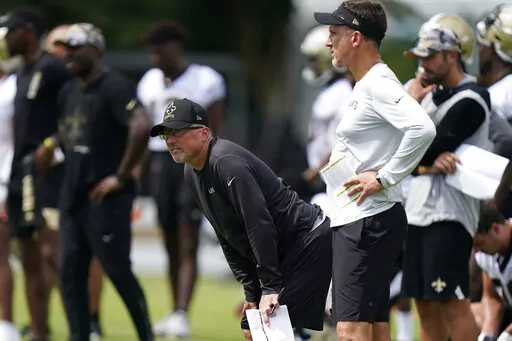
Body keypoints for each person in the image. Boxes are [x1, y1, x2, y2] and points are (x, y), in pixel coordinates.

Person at [150, 98, 332, 340]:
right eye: (167, 134)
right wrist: (251, 291)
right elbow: (226, 234)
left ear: (204, 133)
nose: (171, 141)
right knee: (252, 326)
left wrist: (269, 287)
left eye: (179, 132)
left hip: (307, 242)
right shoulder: (191, 172)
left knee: (270, 326)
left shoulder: (226, 163)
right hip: (284, 252)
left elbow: (258, 224)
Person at [313, 1, 436, 341]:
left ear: (355, 38)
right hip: (365, 220)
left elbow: (422, 128)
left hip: (366, 221)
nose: (327, 42)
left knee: (350, 329)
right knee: (376, 327)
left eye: (333, 34)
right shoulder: (369, 83)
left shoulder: (377, 83)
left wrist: (384, 177)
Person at [50, 23, 153, 341]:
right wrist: (47, 149)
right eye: (65, 46)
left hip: (104, 197)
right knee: (70, 272)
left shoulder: (114, 86)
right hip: (73, 197)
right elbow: (67, 133)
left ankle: (145, 334)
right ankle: (78, 335)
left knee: (117, 268)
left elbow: (141, 126)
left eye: (75, 46)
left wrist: (121, 176)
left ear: (95, 49)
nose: (68, 52)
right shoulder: (69, 90)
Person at [401, 24, 492, 341]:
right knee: (424, 305)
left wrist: (418, 160)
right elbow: (397, 152)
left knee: (452, 302)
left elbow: (426, 147)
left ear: (452, 56)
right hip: (415, 212)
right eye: (419, 58)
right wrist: (423, 165)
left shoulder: (474, 98)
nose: (422, 65)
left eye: (429, 57)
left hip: (449, 215)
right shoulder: (420, 94)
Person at [137, 20, 225, 338]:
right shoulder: (149, 82)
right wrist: (139, 170)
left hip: (192, 161)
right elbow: (146, 132)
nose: (155, 58)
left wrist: (211, 168)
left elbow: (215, 129)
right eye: (152, 52)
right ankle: (174, 310)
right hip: (161, 162)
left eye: (160, 51)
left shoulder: (205, 79)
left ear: (176, 47)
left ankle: (182, 312)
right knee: (169, 242)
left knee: (187, 239)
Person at [0, 7, 71, 341]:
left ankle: (84, 325)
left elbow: (76, 114)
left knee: (51, 256)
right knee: (28, 257)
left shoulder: (54, 68)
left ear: (27, 31)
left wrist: (53, 145)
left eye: (8, 31)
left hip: (48, 178)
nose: (4, 40)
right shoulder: (21, 73)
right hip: (19, 176)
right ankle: (39, 331)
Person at [44, 23, 106, 341]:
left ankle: (90, 319)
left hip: (83, 176)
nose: (63, 52)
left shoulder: (91, 84)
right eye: (58, 45)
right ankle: (71, 318)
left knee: (88, 252)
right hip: (51, 176)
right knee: (50, 253)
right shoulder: (49, 80)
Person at [476, 4, 512, 217]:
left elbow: (508, 145)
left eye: (483, 44)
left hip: (500, 206)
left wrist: (493, 202)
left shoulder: (503, 92)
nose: (480, 50)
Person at [472, 203, 512, 341]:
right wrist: (487, 335)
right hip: (508, 312)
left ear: (495, 229)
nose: (477, 250)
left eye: (480, 243)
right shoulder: (485, 254)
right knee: (462, 316)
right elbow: (492, 298)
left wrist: (506, 336)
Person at [0, 57, 16, 330]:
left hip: (4, 179)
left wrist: (6, 186)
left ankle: (6, 322)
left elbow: (17, 139)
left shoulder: (12, 87)